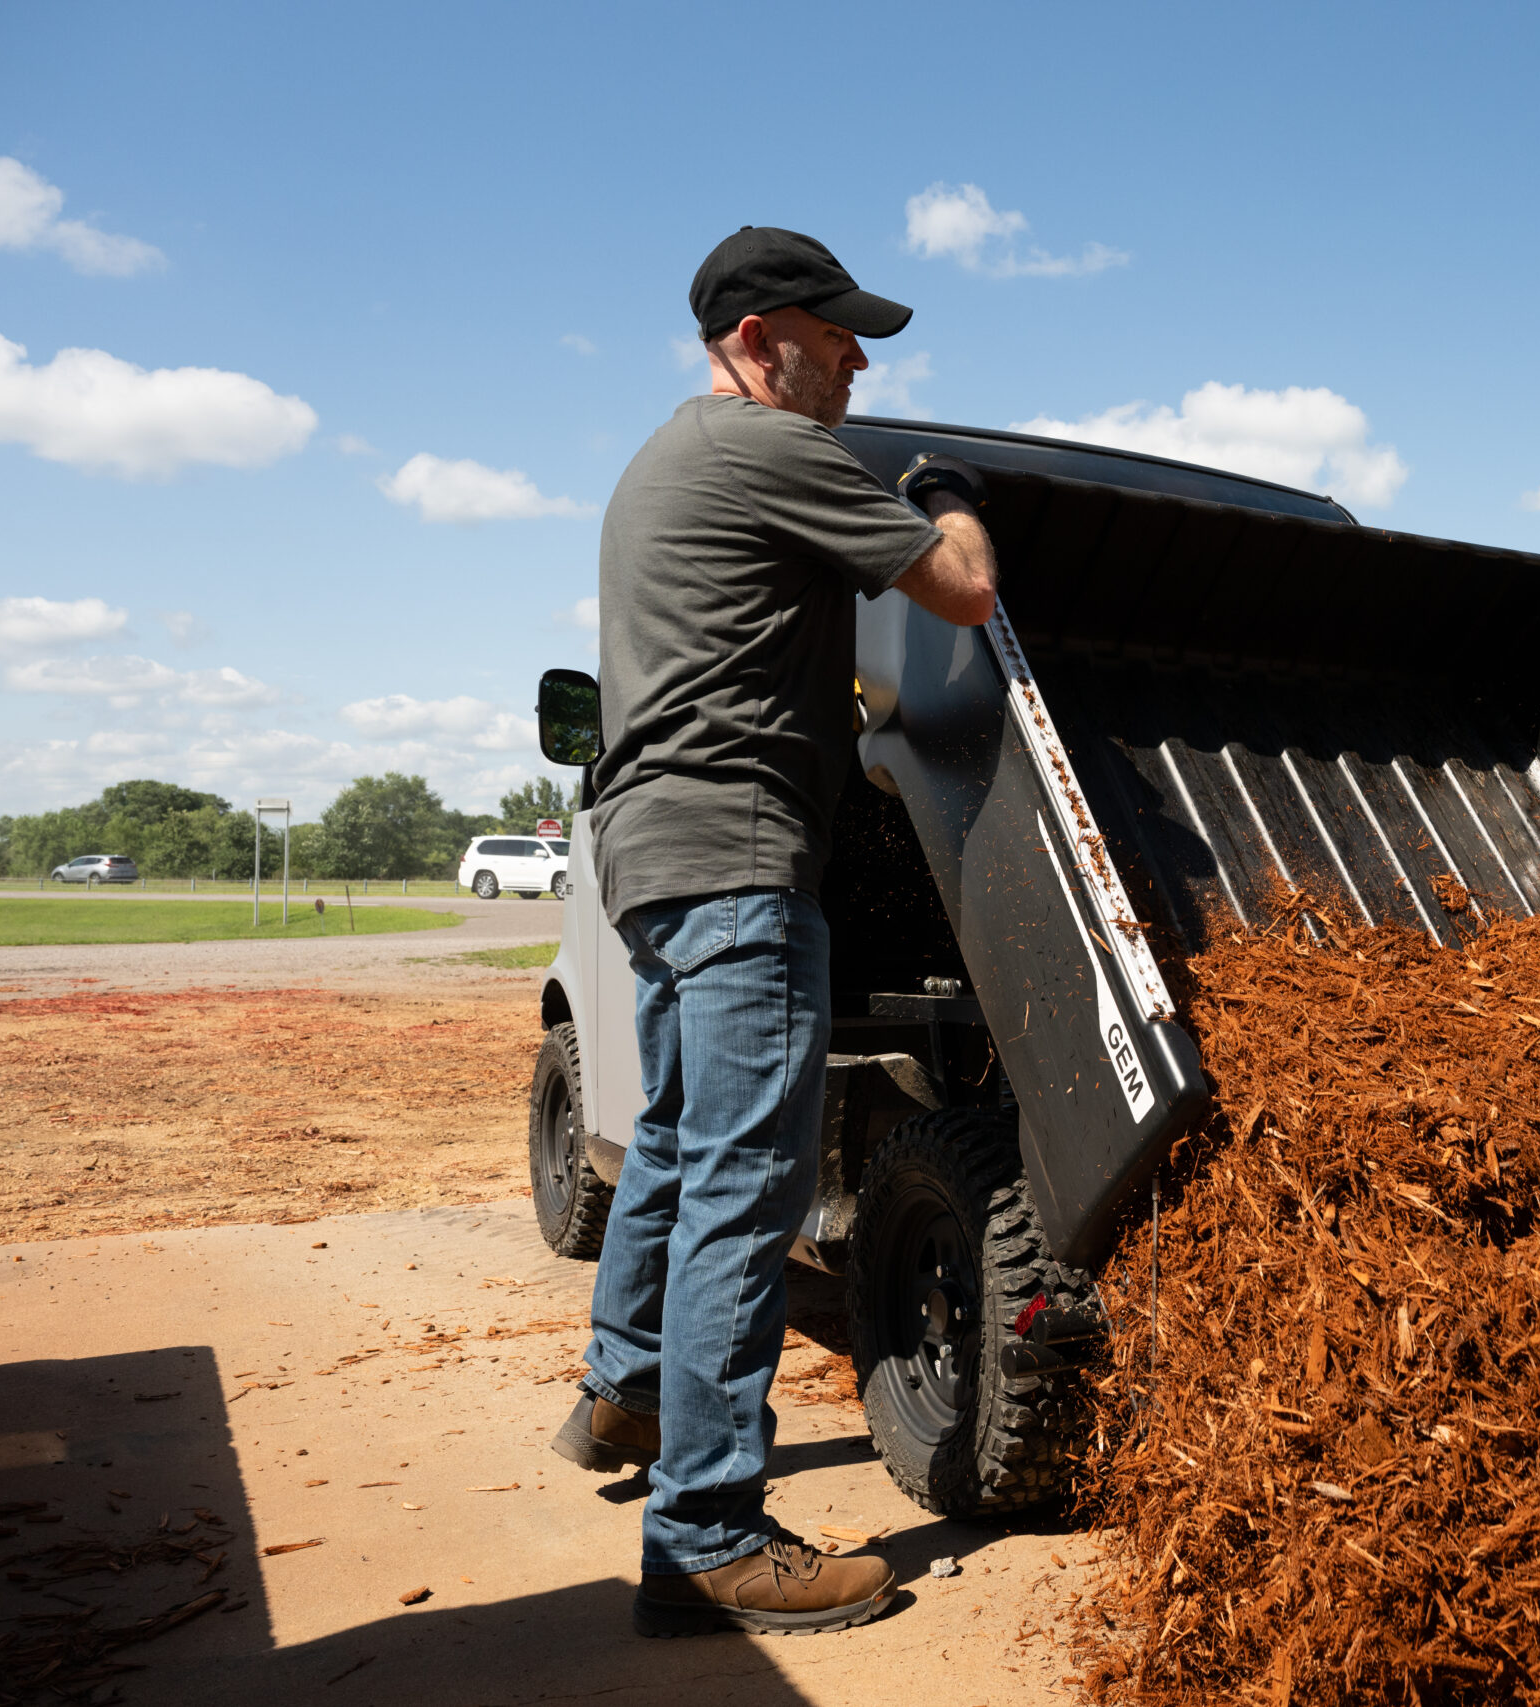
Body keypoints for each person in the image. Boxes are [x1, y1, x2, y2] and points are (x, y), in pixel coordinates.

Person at [550, 226, 998, 1638]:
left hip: (660, 853)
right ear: (761, 339)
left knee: (680, 1146)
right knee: (751, 1181)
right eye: (839, 333)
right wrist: (945, 491)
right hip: (740, 859)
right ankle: (708, 1539)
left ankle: (623, 1396)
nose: (860, 359)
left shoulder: (667, 460)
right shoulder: (771, 451)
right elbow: (963, 589)